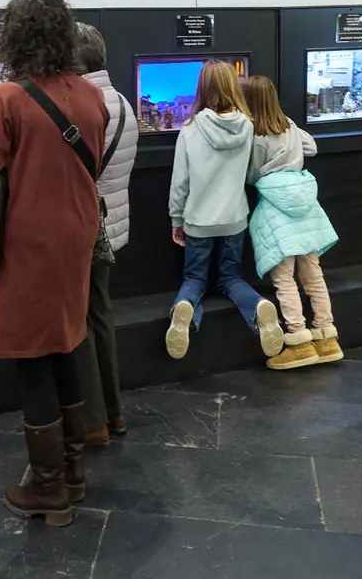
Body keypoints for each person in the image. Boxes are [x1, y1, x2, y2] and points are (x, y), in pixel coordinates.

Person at [0, 0, 108, 528]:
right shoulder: (91, 96)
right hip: (79, 237)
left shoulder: (7, 99)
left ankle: (48, 488)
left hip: (31, 244)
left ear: (14, 38)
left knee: (32, 357)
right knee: (66, 343)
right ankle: (71, 471)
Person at [165, 60, 284, 360]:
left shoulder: (190, 130)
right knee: (230, 279)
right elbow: (250, 174)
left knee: (194, 280)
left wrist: (176, 219)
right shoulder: (248, 126)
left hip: (198, 221)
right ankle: (258, 307)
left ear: (201, 88)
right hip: (234, 219)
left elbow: (180, 182)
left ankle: (185, 309)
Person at [244, 76, 342, 370]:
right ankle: (327, 338)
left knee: (284, 278)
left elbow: (251, 173)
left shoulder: (254, 133)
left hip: (276, 209)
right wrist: (292, 153)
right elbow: (311, 147)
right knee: (313, 274)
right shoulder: (289, 124)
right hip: (305, 205)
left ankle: (298, 341)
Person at [70, 22, 138, 444]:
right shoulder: (124, 104)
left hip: (84, 230)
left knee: (79, 323)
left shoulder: (82, 107)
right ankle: (113, 411)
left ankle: (93, 420)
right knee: (100, 314)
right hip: (111, 227)